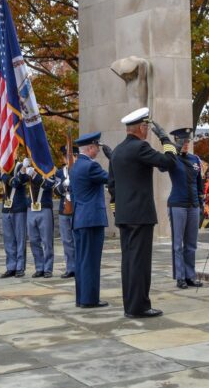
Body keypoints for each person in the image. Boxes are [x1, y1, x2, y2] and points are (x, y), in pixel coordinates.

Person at [108, 107, 177, 318]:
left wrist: (118, 210)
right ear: (140, 127)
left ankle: (130, 305)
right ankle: (140, 307)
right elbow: (168, 163)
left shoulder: (117, 150)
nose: (147, 130)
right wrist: (165, 139)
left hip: (124, 215)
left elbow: (111, 186)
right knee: (140, 263)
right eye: (146, 127)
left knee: (129, 262)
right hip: (140, 215)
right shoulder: (140, 147)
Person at [160, 127, 204, 289]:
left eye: (187, 141)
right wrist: (172, 149)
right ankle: (180, 277)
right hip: (177, 204)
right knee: (178, 244)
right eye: (182, 142)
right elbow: (162, 167)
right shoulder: (172, 160)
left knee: (191, 243)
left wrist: (201, 203)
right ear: (177, 142)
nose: (186, 144)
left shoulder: (195, 160)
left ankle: (190, 275)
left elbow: (200, 184)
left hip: (193, 205)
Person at [70, 132, 111, 308]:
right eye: (96, 147)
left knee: (82, 260)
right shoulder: (91, 167)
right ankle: (90, 299)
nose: (98, 151)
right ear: (90, 148)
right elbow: (111, 178)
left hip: (80, 218)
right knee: (91, 261)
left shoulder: (75, 166)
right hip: (92, 219)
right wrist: (114, 158)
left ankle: (82, 298)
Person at [25, 161, 57, 278]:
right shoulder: (30, 168)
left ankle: (48, 268)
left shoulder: (50, 169)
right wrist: (24, 168)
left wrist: (35, 175)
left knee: (47, 241)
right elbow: (18, 180)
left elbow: (48, 185)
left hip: (44, 208)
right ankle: (39, 267)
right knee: (33, 240)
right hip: (31, 208)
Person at [0, 158, 30, 278]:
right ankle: (11, 266)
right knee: (8, 240)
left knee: (20, 239)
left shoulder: (21, 166)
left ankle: (20, 267)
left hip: (18, 207)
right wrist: (1, 173)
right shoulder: (3, 166)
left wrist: (5, 176)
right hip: (6, 208)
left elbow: (17, 182)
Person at [54, 145, 78, 279]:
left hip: (77, 210)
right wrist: (64, 186)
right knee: (67, 241)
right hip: (64, 210)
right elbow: (56, 191)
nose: (68, 158)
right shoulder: (59, 172)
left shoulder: (78, 170)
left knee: (77, 240)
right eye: (66, 156)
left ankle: (79, 267)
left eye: (71, 156)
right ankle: (70, 268)